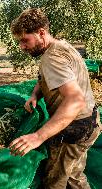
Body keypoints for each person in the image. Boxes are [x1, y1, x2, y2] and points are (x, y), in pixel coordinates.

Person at [8, 8, 101, 188]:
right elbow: (47, 77)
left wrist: (38, 136)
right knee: (74, 175)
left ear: (41, 32)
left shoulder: (52, 58)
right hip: (91, 121)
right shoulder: (61, 46)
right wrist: (36, 94)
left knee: (54, 181)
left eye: (25, 40)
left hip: (74, 130)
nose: (22, 46)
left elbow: (75, 100)